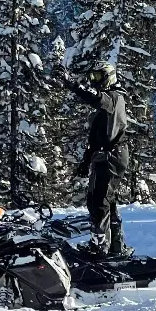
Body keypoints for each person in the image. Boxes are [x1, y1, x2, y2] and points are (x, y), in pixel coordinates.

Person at [57, 61, 131, 258]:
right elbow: (96, 137)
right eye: (92, 77)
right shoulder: (109, 102)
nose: (94, 81)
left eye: (97, 77)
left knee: (98, 201)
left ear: (109, 76)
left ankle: (99, 246)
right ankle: (115, 245)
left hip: (111, 156)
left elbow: (96, 98)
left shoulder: (114, 97)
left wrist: (72, 83)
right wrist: (85, 161)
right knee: (107, 199)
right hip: (108, 155)